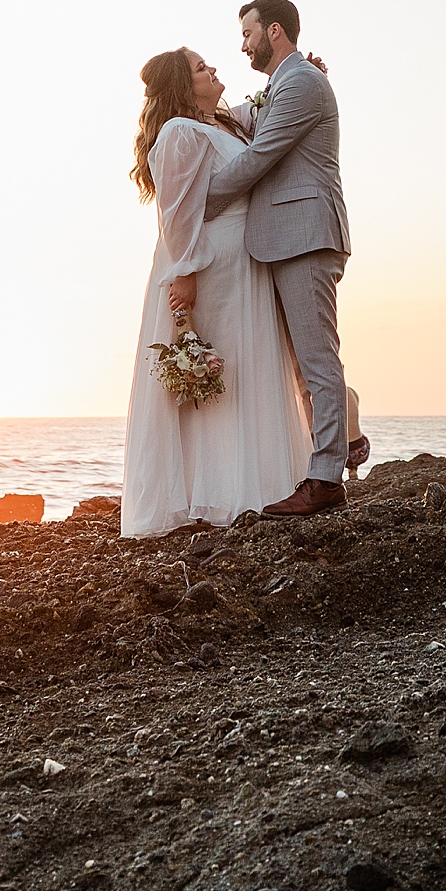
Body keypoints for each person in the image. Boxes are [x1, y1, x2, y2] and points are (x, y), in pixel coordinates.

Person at [120, 47, 310, 537]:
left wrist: (299, 73)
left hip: (240, 260)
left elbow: (265, 108)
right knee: (216, 372)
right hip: (213, 264)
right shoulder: (180, 132)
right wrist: (185, 272)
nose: (214, 70)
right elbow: (177, 210)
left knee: (244, 368)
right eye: (202, 68)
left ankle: (250, 485)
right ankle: (210, 494)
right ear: (185, 86)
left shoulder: (221, 123)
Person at [203, 0, 351, 517]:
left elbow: (262, 153)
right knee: (302, 361)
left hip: (305, 234)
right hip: (287, 237)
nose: (241, 45)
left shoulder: (303, 83)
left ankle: (327, 477)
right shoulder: (282, 86)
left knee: (315, 359)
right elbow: (233, 117)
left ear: (275, 32)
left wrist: (199, 203)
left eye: (247, 34)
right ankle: (336, 448)